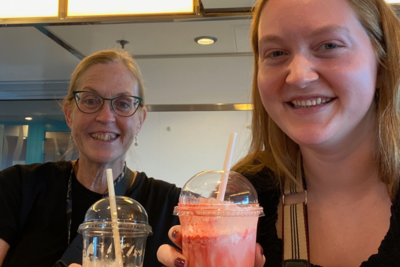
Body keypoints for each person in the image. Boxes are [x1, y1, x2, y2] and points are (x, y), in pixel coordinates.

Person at [157, 0, 400, 266]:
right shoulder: (247, 198)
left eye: (329, 45)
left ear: (383, 62)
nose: (298, 76)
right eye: (276, 53)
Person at [0, 49, 180, 267]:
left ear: (140, 120)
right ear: (69, 113)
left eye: (123, 103)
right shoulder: (16, 188)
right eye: (90, 100)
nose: (105, 117)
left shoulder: (172, 205)